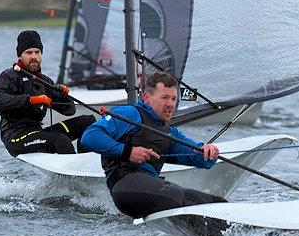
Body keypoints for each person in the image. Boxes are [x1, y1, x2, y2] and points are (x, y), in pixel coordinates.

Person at [81, 72, 227, 220]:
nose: (170, 104)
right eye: (164, 98)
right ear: (147, 98)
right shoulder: (130, 113)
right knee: (191, 200)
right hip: (125, 186)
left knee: (219, 204)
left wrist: (208, 153)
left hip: (148, 190)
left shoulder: (169, 132)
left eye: (174, 98)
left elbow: (195, 155)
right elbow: (89, 136)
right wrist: (127, 152)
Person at [0, 30, 95, 157]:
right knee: (61, 141)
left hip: (37, 132)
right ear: (20, 55)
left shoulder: (44, 81)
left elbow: (69, 111)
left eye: (37, 52)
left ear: (41, 54)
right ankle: (75, 176)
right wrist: (32, 99)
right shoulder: (10, 75)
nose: (33, 56)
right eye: (28, 53)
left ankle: (86, 163)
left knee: (87, 121)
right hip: (16, 137)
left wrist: (63, 94)